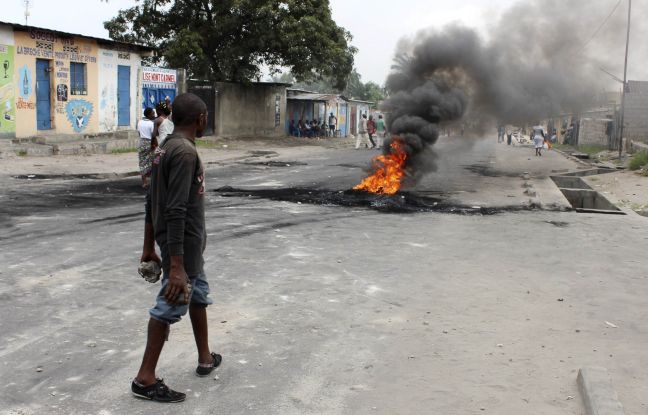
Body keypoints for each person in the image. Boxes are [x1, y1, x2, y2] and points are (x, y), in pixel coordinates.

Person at [132, 93, 221, 403]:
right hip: (182, 249)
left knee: (199, 295)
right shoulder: (183, 153)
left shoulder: (164, 148)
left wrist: (148, 248)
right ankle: (145, 378)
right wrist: (176, 266)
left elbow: (150, 200)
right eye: (206, 115)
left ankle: (205, 358)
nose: (206, 119)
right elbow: (175, 209)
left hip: (179, 248)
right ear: (199, 119)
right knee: (172, 302)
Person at [137, 108, 156, 188]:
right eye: (152, 113)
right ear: (148, 115)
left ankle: (144, 182)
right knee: (152, 162)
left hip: (141, 143)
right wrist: (155, 145)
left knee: (142, 162)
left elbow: (139, 132)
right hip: (150, 143)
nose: (154, 115)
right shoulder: (152, 124)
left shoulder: (140, 122)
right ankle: (153, 182)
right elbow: (153, 136)